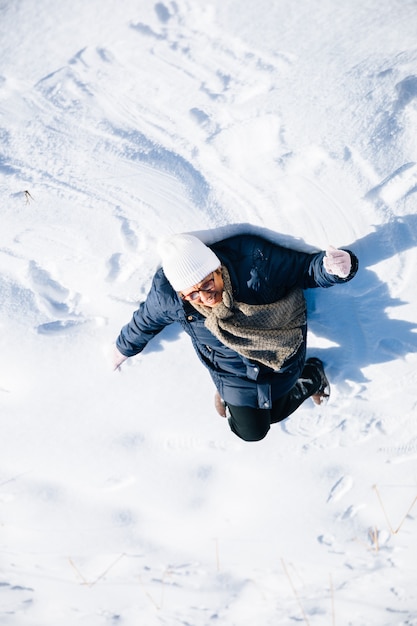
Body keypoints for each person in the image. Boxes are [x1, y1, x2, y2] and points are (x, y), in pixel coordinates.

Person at [113, 231, 358, 442]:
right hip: (230, 372)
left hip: (281, 355)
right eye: (193, 295)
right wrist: (120, 351)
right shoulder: (169, 298)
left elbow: (305, 269)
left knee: (275, 413)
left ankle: (312, 376)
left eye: (208, 284)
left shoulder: (255, 263)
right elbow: (144, 323)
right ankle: (232, 401)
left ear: (217, 268)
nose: (206, 298)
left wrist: (333, 269)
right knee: (252, 432)